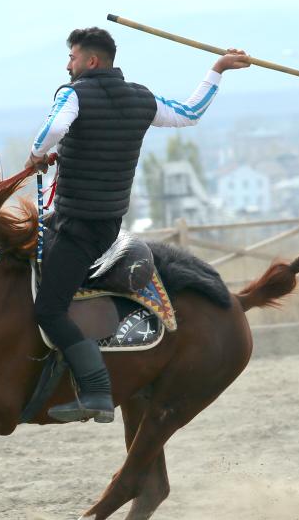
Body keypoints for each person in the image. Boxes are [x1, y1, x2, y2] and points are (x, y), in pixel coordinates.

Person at [26, 26, 250, 422]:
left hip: (75, 227)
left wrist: (36, 154)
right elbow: (189, 113)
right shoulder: (141, 98)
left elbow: (53, 130)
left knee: (48, 309)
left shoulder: (73, 93)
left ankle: (95, 391)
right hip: (105, 225)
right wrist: (216, 70)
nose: (68, 64)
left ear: (91, 61)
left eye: (73, 57)